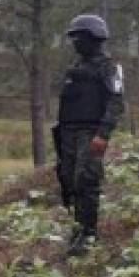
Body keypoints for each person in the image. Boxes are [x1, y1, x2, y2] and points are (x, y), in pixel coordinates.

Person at [53, 14, 125, 256]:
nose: (75, 42)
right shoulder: (75, 69)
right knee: (69, 181)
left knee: (86, 180)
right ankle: (78, 229)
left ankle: (89, 234)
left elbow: (116, 102)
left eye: (79, 37)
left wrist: (103, 134)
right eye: (73, 38)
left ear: (93, 38)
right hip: (68, 133)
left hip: (90, 132)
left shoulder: (109, 68)